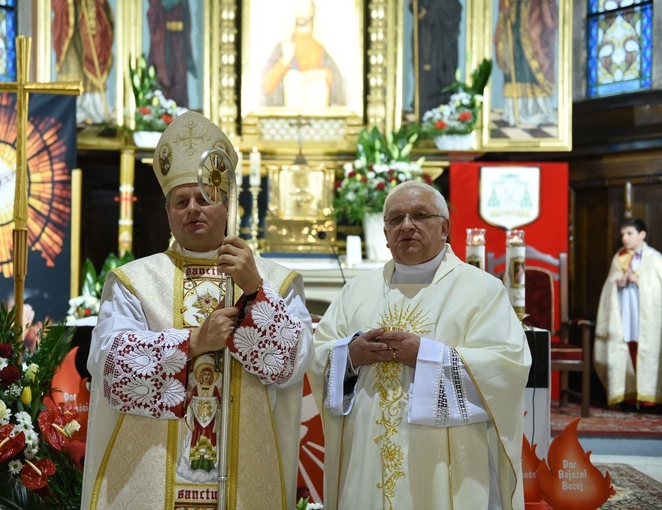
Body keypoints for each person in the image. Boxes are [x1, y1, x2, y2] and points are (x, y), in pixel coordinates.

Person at [81, 111, 314, 509]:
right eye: (181, 201)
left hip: (244, 475)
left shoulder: (275, 281)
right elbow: (109, 366)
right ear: (168, 212)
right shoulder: (134, 281)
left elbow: (291, 365)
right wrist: (192, 343)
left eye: (205, 198)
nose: (193, 209)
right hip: (153, 469)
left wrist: (255, 290)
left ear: (225, 205)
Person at [309, 181, 531, 510]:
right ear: (385, 233)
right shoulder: (357, 290)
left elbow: (507, 366)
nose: (407, 225)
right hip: (367, 453)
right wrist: (351, 355)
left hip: (446, 460)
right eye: (395, 218)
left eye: (420, 215)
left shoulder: (482, 290)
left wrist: (425, 356)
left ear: (444, 228)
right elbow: (317, 356)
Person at [595, 218, 662, 408]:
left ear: (642, 235)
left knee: (645, 348)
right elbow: (609, 285)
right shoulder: (619, 258)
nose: (625, 238)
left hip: (645, 314)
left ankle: (648, 398)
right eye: (623, 234)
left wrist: (640, 282)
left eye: (629, 233)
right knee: (625, 346)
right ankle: (628, 394)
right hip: (625, 309)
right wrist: (618, 282)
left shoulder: (655, 258)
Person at [260, 0, 346, 108]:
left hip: (318, 121)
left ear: (312, 10)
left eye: (304, 7)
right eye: (297, 7)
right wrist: (284, 61)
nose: (300, 12)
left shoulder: (321, 50)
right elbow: (265, 86)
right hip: (286, 121)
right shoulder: (282, 47)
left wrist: (323, 73)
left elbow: (342, 89)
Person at [493, 0, 557, 128]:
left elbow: (550, 18)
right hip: (514, 25)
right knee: (515, 65)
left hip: (533, 23)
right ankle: (514, 111)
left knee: (532, 68)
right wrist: (505, 12)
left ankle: (537, 110)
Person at [52, 0, 114, 124]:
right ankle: (74, 111)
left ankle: (93, 109)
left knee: (93, 55)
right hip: (68, 21)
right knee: (70, 64)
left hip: (88, 18)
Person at [406, 0, 463, 118]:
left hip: (445, 45)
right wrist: (417, 9)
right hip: (426, 40)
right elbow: (414, 7)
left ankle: (445, 116)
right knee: (426, 77)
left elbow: (454, 8)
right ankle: (425, 117)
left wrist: (431, 13)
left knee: (445, 78)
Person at [147, 0, 196, 107]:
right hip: (164, 39)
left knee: (180, 73)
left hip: (179, 39)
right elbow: (155, 6)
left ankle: (180, 109)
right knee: (163, 74)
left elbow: (186, 15)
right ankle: (163, 111)